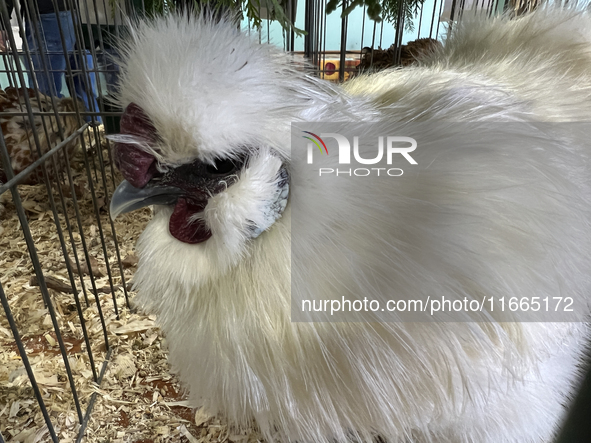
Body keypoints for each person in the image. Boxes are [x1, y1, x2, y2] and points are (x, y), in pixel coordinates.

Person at [0, 0, 101, 123]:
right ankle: (94, 130)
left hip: (45, 16)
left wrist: (1, 22)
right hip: (74, 14)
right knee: (83, 87)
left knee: (47, 96)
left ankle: (59, 136)